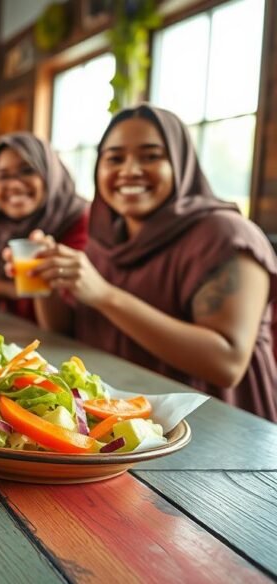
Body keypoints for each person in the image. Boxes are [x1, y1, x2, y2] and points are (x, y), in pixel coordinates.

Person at [20, 105, 277, 422]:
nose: (129, 170)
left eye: (151, 156)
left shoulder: (225, 235)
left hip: (218, 434)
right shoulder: (105, 238)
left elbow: (227, 364)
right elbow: (64, 331)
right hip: (126, 424)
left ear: (181, 163)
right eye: (114, 158)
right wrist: (44, 280)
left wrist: (104, 294)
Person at [0, 133, 88, 322]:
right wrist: (10, 289)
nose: (14, 185)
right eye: (2, 177)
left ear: (50, 173)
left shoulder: (82, 224)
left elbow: (67, 321)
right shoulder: (0, 231)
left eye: (27, 171)